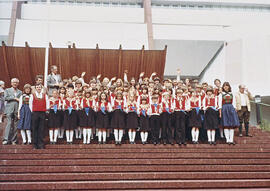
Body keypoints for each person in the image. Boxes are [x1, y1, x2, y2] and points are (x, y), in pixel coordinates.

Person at [29, 84, 49, 149]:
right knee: (34, 128)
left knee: (41, 129)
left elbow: (47, 104)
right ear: (35, 88)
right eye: (37, 87)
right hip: (35, 113)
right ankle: (34, 144)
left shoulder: (45, 96)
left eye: (40, 87)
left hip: (42, 113)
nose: (38, 88)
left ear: (41, 88)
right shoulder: (32, 96)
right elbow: (30, 104)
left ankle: (41, 144)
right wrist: (33, 111)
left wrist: (46, 110)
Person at [2, 78, 22, 145]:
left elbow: (21, 101)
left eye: (16, 82)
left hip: (17, 109)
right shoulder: (7, 90)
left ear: (18, 84)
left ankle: (14, 140)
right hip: (9, 109)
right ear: (11, 83)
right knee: (9, 123)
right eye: (14, 82)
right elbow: (5, 98)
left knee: (16, 125)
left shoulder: (20, 92)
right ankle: (6, 139)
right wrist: (14, 98)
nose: (15, 84)